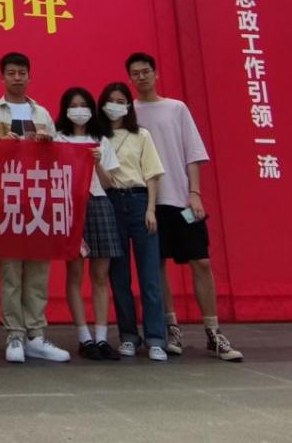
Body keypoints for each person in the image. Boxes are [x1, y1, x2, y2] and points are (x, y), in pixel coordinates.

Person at [127, 52, 243, 362]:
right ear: (130, 78)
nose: (141, 77)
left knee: (201, 261)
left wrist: (195, 193)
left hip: (182, 201)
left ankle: (213, 331)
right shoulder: (130, 113)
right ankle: (171, 327)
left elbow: (192, 152)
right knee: (157, 265)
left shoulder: (176, 108)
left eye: (146, 71)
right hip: (150, 203)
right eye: (135, 73)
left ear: (156, 74)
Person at [0, 52, 70, 363]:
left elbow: (59, 157)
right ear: (2, 77)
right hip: (7, 200)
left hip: (39, 200)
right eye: (11, 73)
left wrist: (48, 145)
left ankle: (36, 335)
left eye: (22, 73)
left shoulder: (42, 114)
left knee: (38, 271)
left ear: (29, 76)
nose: (17, 78)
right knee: (11, 272)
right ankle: (15, 335)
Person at [100, 82, 169, 361]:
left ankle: (156, 338)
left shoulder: (141, 134)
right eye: (111, 101)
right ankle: (128, 336)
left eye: (121, 101)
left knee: (150, 274)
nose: (115, 105)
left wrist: (151, 208)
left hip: (139, 201)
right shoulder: (98, 137)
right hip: (112, 202)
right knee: (119, 276)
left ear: (128, 106)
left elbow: (151, 174)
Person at [55, 87, 123, 360]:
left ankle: (102, 336)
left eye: (83, 105)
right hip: (71, 206)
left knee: (100, 275)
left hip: (99, 203)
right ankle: (84, 337)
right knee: (75, 273)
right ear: (65, 110)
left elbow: (108, 183)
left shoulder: (101, 139)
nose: (79, 110)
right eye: (73, 106)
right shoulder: (59, 139)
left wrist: (96, 163)